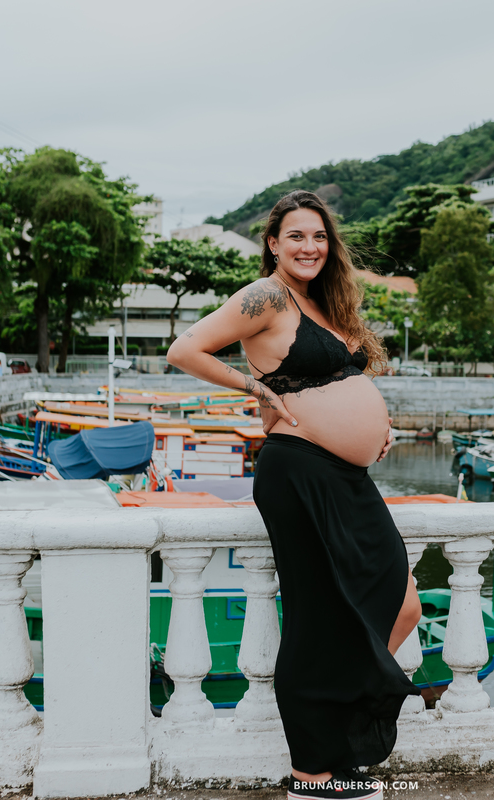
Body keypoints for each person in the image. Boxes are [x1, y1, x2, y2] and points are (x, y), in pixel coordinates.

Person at [167, 190, 421, 800]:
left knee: (401, 603)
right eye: (296, 237)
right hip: (297, 471)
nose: (309, 247)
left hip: (342, 474)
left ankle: (336, 738)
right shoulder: (268, 296)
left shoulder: (324, 299)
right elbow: (185, 349)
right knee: (317, 617)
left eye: (319, 237)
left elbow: (342, 381)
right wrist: (253, 386)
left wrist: (372, 430)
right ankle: (312, 771)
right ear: (274, 244)